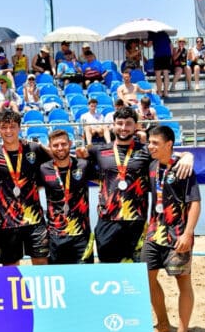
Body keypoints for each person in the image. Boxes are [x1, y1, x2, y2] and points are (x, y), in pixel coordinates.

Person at [81, 107, 193, 264]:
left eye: (128, 123)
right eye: (120, 123)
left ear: (135, 126)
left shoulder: (147, 151)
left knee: (137, 271)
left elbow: (171, 155)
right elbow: (78, 167)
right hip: (107, 219)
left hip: (136, 221)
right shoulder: (99, 151)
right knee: (108, 267)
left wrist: (188, 156)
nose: (124, 128)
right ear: (113, 125)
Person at [143, 125, 201, 332]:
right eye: (149, 142)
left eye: (155, 143)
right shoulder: (151, 165)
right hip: (153, 234)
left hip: (178, 235)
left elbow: (195, 203)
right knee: (146, 278)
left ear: (169, 145)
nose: (150, 146)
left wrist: (188, 234)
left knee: (182, 282)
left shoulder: (184, 168)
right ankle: (163, 324)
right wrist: (187, 153)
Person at [0, 109, 51, 266]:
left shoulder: (34, 150)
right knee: (11, 270)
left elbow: (59, 162)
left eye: (12, 126)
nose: (8, 131)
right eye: (4, 127)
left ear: (20, 128)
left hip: (34, 220)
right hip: (7, 222)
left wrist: (41, 145)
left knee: (41, 265)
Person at [39, 130, 96, 264]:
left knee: (84, 275)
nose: (60, 148)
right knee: (58, 276)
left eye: (63, 144)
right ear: (50, 147)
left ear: (70, 144)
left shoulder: (83, 165)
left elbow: (105, 182)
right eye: (55, 145)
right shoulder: (43, 169)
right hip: (56, 236)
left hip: (81, 235)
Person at [145, 31, 172, 97]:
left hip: (158, 55)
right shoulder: (165, 33)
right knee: (166, 74)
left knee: (158, 74)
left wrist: (142, 43)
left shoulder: (151, 33)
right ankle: (166, 92)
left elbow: (149, 45)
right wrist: (170, 55)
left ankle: (159, 92)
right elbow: (171, 45)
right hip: (167, 55)